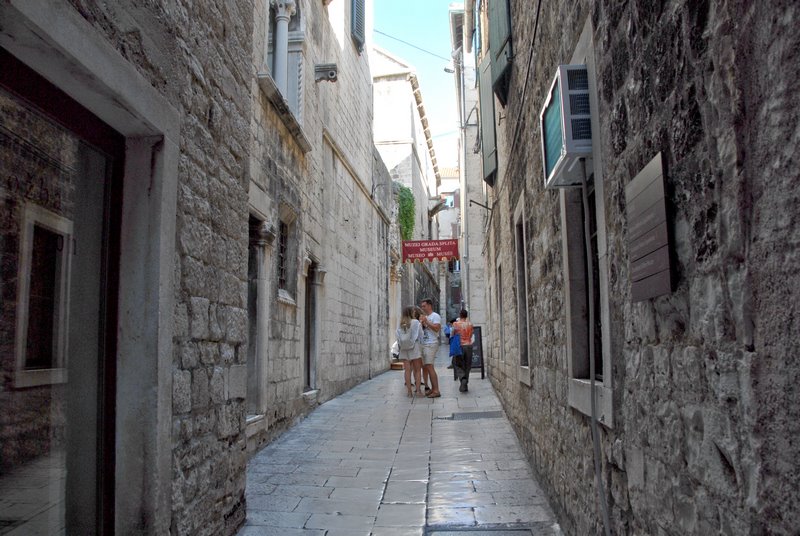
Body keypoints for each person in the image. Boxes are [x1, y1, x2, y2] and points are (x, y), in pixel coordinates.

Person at [396, 306, 423, 397]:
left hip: (404, 348)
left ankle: (409, 392)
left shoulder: (400, 323)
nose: (414, 312)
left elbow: (398, 336)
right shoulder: (415, 322)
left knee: (407, 371)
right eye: (413, 311)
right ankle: (418, 391)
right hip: (414, 347)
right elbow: (421, 335)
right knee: (417, 370)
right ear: (411, 312)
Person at [418, 298, 441, 398]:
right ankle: (433, 388)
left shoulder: (435, 316)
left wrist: (426, 321)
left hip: (431, 344)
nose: (422, 308)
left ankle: (436, 390)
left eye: (424, 306)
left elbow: (436, 328)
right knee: (427, 367)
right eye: (422, 306)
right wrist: (422, 324)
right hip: (425, 343)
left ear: (429, 305)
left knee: (430, 366)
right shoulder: (426, 317)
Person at [452, 309, 474, 392]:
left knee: (458, 364)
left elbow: (453, 334)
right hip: (468, 345)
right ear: (466, 316)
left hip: (459, 346)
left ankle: (463, 379)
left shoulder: (455, 324)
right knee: (467, 365)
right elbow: (471, 335)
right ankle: (465, 383)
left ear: (460, 315)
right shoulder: (470, 324)